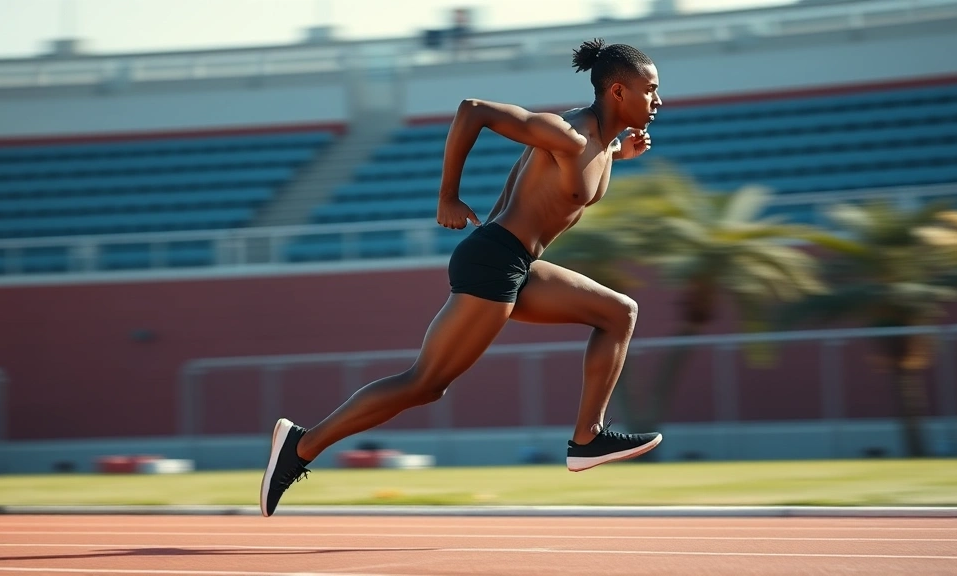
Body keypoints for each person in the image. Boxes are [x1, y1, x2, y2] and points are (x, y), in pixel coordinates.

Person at [261, 38, 664, 517]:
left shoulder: (600, 145)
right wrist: (447, 197)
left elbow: (570, 177)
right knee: (426, 383)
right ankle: (300, 447)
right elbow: (472, 110)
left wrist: (620, 154)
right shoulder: (567, 133)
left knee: (619, 313)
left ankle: (587, 439)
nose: (658, 100)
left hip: (519, 266)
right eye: (650, 90)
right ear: (618, 91)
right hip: (494, 261)